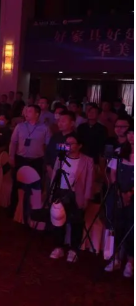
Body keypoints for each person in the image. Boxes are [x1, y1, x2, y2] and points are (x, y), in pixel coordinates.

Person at [48, 134, 94, 263]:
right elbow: (55, 175)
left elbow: (89, 181)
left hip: (76, 194)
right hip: (61, 192)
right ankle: (58, 247)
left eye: (72, 143)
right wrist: (51, 193)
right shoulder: (61, 158)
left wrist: (86, 198)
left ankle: (73, 250)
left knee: (76, 223)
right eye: (66, 143)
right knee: (58, 221)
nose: (68, 146)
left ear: (79, 146)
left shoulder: (87, 160)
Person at [104, 126, 134, 277]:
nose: (132, 136)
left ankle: (130, 262)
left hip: (132, 197)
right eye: (130, 133)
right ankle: (114, 258)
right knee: (116, 225)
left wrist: (130, 193)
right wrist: (119, 192)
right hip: (118, 194)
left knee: (131, 228)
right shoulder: (119, 151)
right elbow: (113, 173)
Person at [45, 111, 76, 179]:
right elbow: (48, 152)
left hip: (69, 174)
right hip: (52, 170)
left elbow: (73, 151)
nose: (60, 123)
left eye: (63, 121)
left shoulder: (76, 138)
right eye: (59, 121)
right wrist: (48, 167)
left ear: (72, 123)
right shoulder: (55, 136)